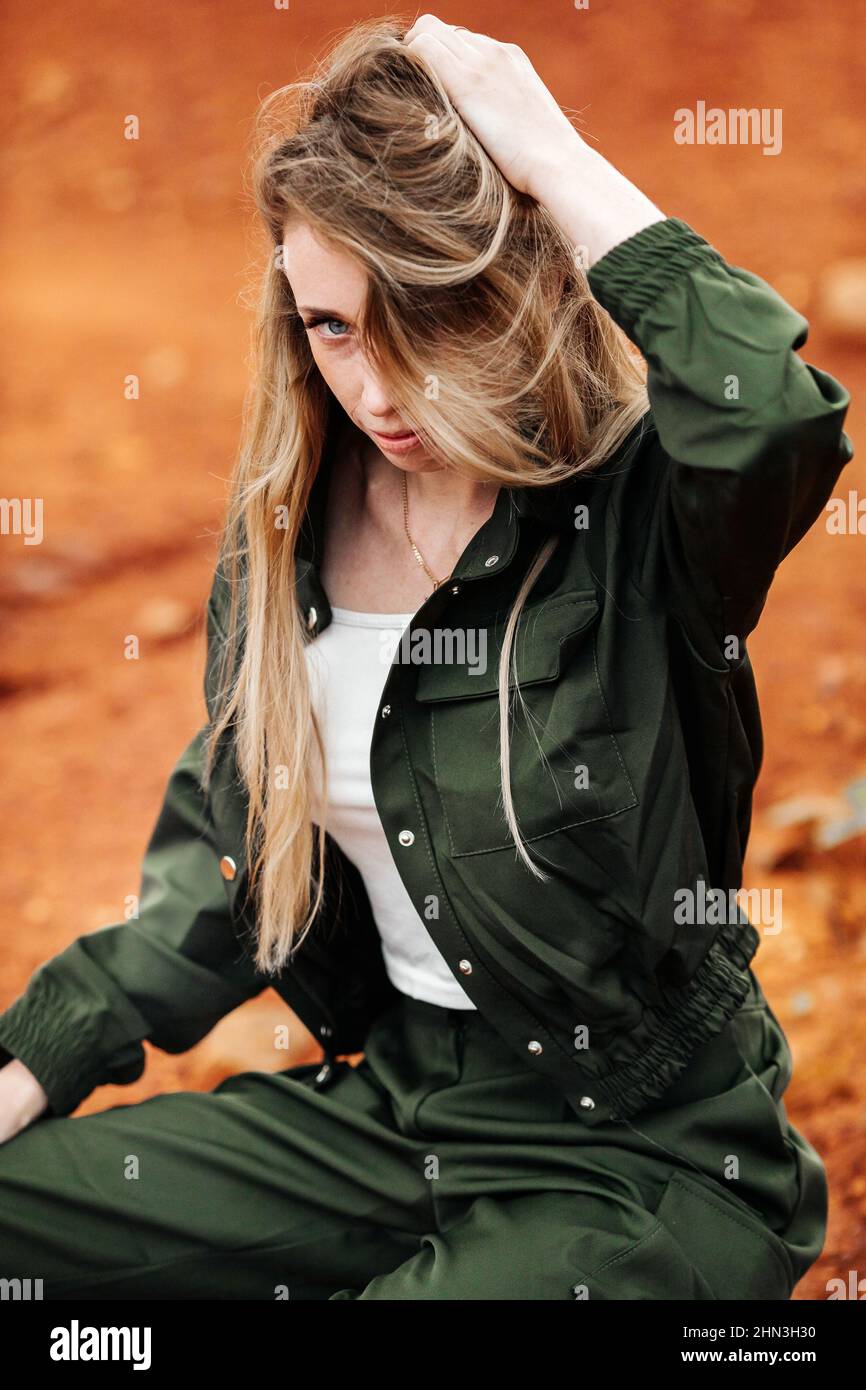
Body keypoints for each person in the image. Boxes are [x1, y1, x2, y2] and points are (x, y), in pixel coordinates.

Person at [0, 15, 853, 1300]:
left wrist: (548, 157)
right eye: (334, 329)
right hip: (398, 1118)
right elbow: (234, 851)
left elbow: (769, 416)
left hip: (637, 1156)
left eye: (421, 319)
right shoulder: (286, 534)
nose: (377, 388)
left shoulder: (629, 514)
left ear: (502, 288)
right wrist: (37, 1054)